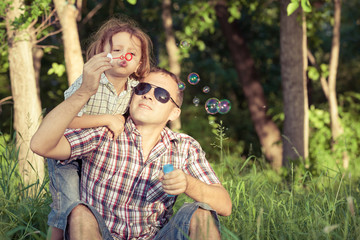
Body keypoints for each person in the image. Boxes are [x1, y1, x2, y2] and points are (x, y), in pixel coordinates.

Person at [31, 66, 232, 239]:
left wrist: (188, 183)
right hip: (102, 235)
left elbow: (224, 205)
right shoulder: (104, 132)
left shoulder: (184, 147)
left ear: (174, 112)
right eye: (143, 88)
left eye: (161, 94)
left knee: (201, 214)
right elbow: (42, 146)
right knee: (79, 213)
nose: (148, 95)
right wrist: (83, 92)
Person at [47, 17, 153, 240]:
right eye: (117, 49)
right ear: (100, 54)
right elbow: (68, 120)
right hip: (64, 150)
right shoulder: (89, 81)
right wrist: (107, 119)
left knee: (87, 208)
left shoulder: (135, 88)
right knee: (65, 204)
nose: (125, 56)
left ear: (140, 63)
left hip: (96, 156)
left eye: (132, 54)